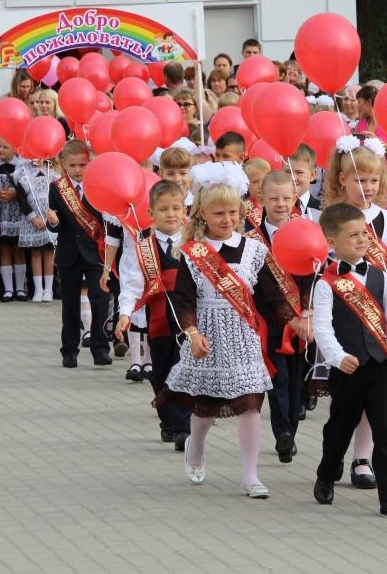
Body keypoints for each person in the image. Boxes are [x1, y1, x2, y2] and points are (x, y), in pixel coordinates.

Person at [167, 161, 294, 499]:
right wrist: (192, 334)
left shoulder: (254, 250)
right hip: (207, 336)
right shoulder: (193, 254)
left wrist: (294, 319)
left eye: (232, 212)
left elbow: (270, 296)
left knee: (250, 403)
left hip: (243, 336)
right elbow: (183, 300)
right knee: (206, 406)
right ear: (203, 215)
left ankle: (250, 475)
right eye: (218, 213)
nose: (226, 219)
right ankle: (196, 448)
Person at [311, 202, 387, 516]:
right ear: (332, 241)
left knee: (385, 431)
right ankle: (326, 475)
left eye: (364, 233)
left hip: (379, 366)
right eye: (353, 235)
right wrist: (337, 356)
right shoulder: (326, 283)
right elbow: (322, 327)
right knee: (339, 429)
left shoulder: (380, 275)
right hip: (347, 369)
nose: (361, 240)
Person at [322, 137, 387, 489]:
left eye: (373, 180)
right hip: (343, 315)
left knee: (375, 395)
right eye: (359, 180)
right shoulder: (328, 218)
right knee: (347, 396)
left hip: (379, 317)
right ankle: (333, 459)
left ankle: (363, 458)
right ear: (341, 179)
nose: (367, 187)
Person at [117, 180, 192, 447]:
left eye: (176, 208)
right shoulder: (143, 246)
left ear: (185, 210)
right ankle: (167, 419)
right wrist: (125, 313)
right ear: (151, 213)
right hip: (158, 316)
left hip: (188, 316)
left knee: (184, 367)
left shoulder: (192, 241)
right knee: (160, 371)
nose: (171, 214)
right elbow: (132, 282)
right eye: (163, 209)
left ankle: (183, 425)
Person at [247, 171, 313, 463]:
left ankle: (292, 432)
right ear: (261, 199)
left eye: (287, 198)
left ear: (295, 198)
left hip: (303, 324)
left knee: (298, 380)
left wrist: (308, 312)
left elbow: (313, 275)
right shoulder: (253, 240)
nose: (281, 204)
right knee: (279, 378)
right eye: (274, 198)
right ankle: (282, 433)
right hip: (271, 322)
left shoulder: (306, 232)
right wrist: (289, 318)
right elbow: (264, 287)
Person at [46, 140, 113, 368]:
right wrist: (53, 222)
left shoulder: (99, 185)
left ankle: (100, 347)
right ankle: (69, 350)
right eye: (73, 165)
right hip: (69, 254)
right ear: (64, 164)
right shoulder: (57, 188)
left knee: (100, 299)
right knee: (70, 305)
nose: (77, 170)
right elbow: (56, 224)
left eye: (82, 165)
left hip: (96, 253)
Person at [0, 137, 27, 301]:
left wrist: (15, 193)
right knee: (4, 250)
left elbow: (26, 187)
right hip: (2, 213)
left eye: (5, 147)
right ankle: (8, 289)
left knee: (18, 250)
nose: (1, 150)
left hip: (18, 212)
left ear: (14, 149)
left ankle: (20, 288)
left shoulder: (22, 165)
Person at [16, 157, 57, 302]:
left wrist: (48, 218)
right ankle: (38, 289)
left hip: (49, 219)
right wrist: (33, 218)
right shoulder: (23, 174)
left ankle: (49, 290)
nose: (36, 159)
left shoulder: (53, 173)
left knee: (48, 253)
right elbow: (22, 200)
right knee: (35, 253)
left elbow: (56, 197)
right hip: (32, 221)